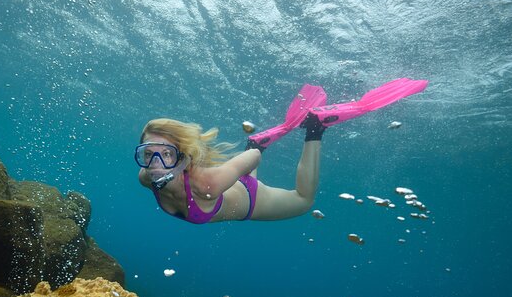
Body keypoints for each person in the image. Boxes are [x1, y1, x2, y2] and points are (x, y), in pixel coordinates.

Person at [136, 78, 428, 224]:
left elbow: (252, 162)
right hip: (230, 187)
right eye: (149, 153)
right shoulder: (145, 178)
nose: (157, 163)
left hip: (250, 197)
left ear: (183, 156)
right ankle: (264, 139)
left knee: (303, 201)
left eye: (168, 153)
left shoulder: (207, 184)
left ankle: (316, 129)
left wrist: (254, 151)